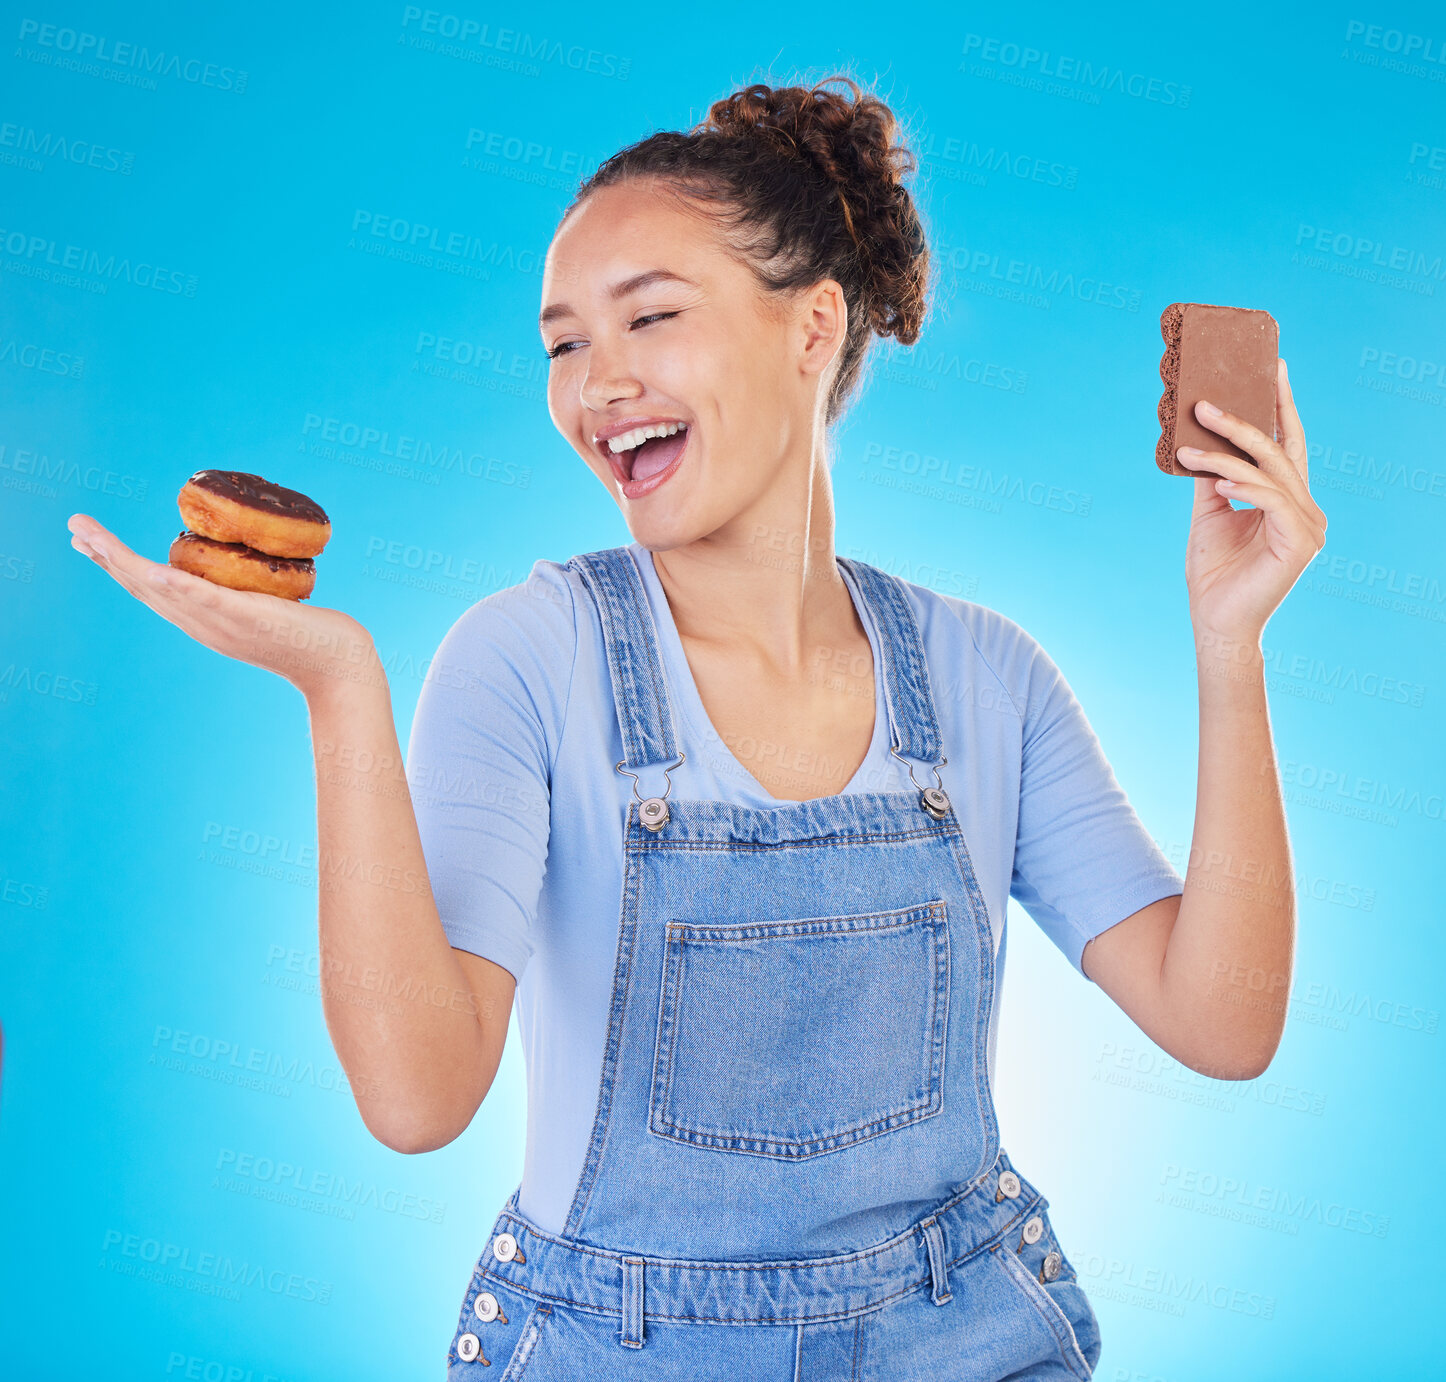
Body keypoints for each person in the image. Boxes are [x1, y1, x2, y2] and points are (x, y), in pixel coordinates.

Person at [70, 70, 1325, 1382]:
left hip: (969, 1338)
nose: (596, 382)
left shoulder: (983, 675)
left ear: (811, 329)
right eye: (562, 343)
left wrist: (1230, 643)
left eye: (649, 318)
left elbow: (1220, 1022)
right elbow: (415, 1096)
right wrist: (338, 692)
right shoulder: (528, 656)